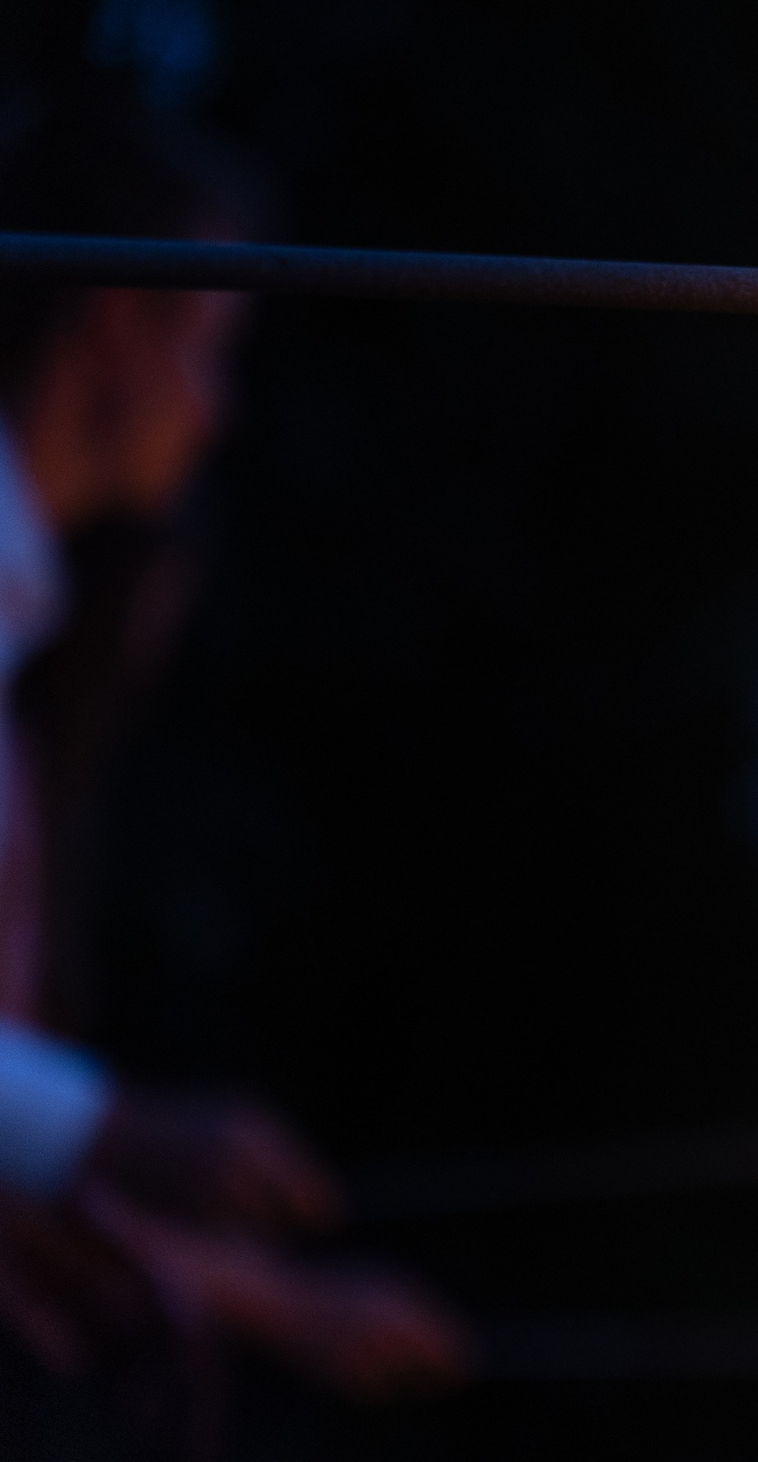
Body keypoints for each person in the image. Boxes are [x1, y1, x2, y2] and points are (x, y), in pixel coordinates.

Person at [0, 94, 466, 1450]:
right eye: (209, 349)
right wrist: (106, 1127)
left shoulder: (28, 628)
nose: (216, 413)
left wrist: (261, 1295)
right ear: (112, 324)